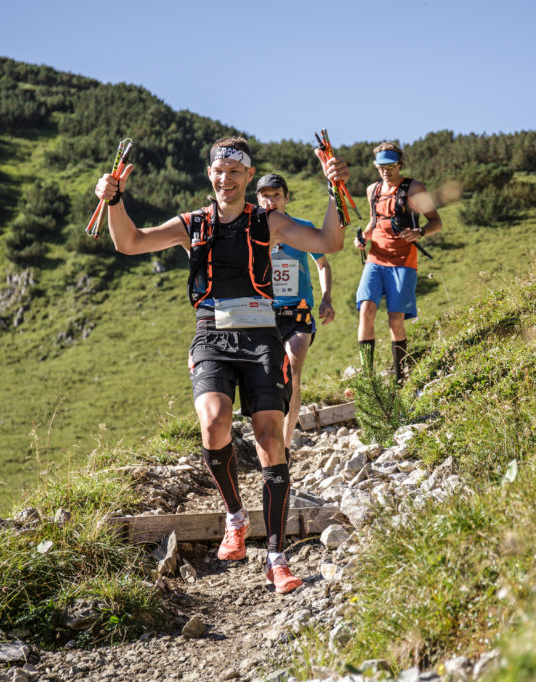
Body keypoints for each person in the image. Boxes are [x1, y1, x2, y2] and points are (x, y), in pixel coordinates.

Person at [94, 137, 348, 594]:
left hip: (261, 335)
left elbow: (330, 241)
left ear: (249, 177)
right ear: (209, 175)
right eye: (219, 170)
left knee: (271, 435)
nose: (226, 178)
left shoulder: (267, 221)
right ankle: (234, 514)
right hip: (212, 332)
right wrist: (115, 200)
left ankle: (275, 555)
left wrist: (334, 192)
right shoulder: (192, 224)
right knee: (213, 424)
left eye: (235, 171)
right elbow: (129, 242)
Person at [254, 173, 335, 458]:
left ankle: (285, 446)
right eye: (265, 195)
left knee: (293, 371)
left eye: (276, 195)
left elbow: (323, 264)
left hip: (298, 313)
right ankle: (268, 440)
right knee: (266, 377)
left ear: (287, 198)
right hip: (263, 315)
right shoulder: (251, 232)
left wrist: (326, 298)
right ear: (257, 199)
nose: (271, 200)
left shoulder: (303, 229)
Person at [354, 142, 442, 382]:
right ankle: (368, 375)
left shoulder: (415, 188)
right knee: (366, 309)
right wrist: (362, 239)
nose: (385, 171)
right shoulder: (372, 190)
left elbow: (436, 221)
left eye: (390, 166)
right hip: (375, 258)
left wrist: (420, 232)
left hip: (404, 261)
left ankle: (400, 375)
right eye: (381, 166)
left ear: (400, 165)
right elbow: (373, 225)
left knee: (395, 320)